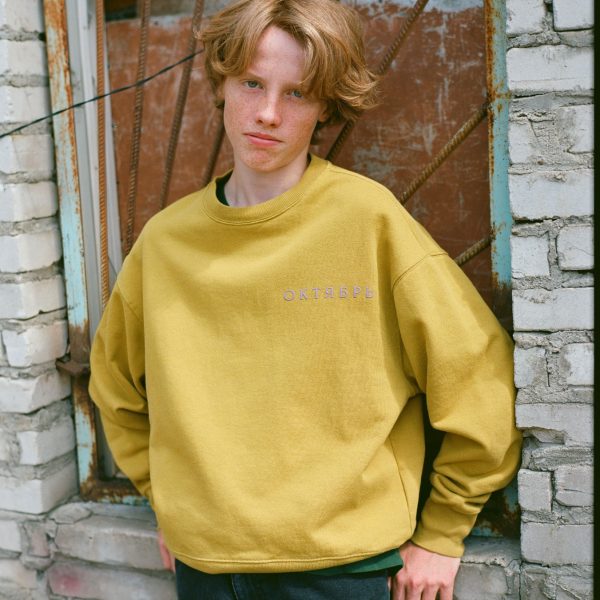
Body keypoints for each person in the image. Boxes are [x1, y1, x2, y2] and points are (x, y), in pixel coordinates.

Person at [89, 1, 522, 598]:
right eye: (252, 83)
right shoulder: (165, 243)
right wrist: (170, 499)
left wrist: (442, 532)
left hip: (341, 570)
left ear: (325, 106)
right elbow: (114, 389)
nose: (267, 113)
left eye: (296, 93)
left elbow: (478, 379)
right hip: (204, 568)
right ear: (222, 83)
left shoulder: (369, 221)